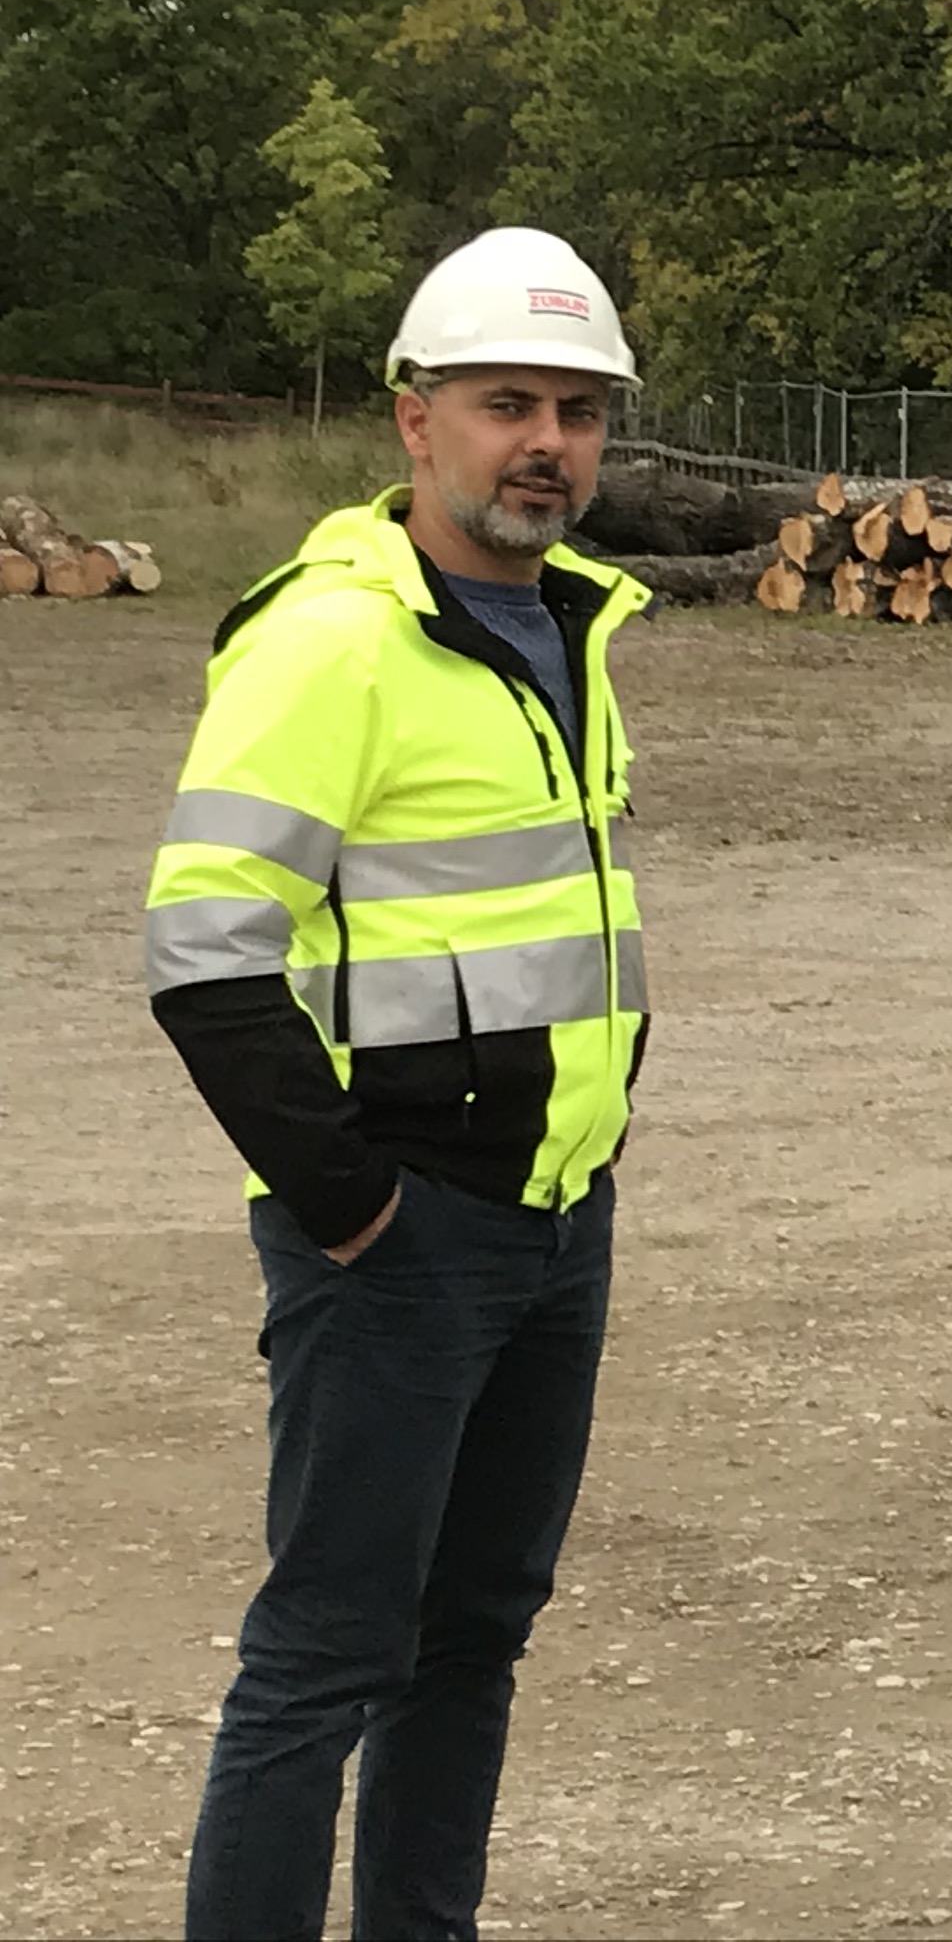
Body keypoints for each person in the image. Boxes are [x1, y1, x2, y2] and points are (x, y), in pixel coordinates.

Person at [143, 227, 654, 1942]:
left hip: (555, 1220)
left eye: (580, 414)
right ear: (411, 421)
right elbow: (206, 953)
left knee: (474, 1639)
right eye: (510, 404)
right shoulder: (331, 642)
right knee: (326, 1661)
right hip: (400, 1245)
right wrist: (352, 1209)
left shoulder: (567, 627)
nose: (549, 447)